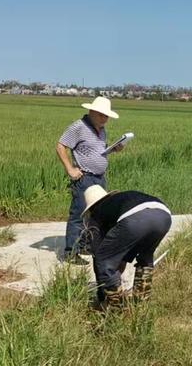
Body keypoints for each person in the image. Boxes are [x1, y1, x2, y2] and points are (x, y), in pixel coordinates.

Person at [81, 185, 172, 308]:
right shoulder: (119, 200)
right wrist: (115, 270)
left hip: (135, 219)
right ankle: (141, 302)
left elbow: (99, 257)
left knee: (103, 259)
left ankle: (114, 308)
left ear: (91, 208)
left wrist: (102, 292)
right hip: (164, 216)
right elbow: (121, 252)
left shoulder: (97, 213)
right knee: (145, 256)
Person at [56, 96, 123, 264]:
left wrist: (113, 150)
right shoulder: (79, 127)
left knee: (96, 215)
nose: (104, 118)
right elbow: (60, 146)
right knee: (78, 214)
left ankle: (86, 245)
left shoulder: (101, 130)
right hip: (84, 177)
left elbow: (97, 152)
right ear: (92, 111)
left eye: (106, 116)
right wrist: (70, 169)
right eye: (101, 115)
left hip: (99, 178)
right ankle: (71, 252)